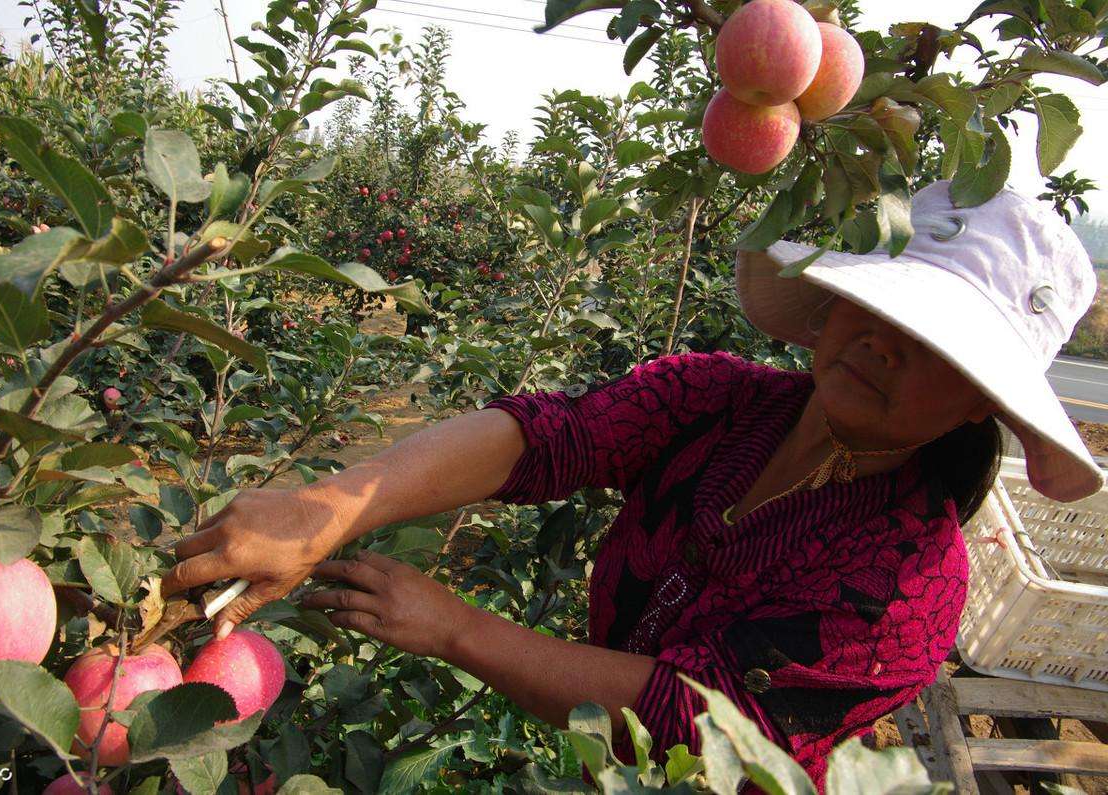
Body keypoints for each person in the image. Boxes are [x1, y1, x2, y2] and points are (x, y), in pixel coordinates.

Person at [160, 180, 1103, 784]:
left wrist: (457, 627)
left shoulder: (910, 585)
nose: (886, 343)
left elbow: (700, 722)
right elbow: (548, 439)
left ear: (983, 404)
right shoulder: (721, 399)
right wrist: (325, 512)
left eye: (936, 343)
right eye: (887, 303)